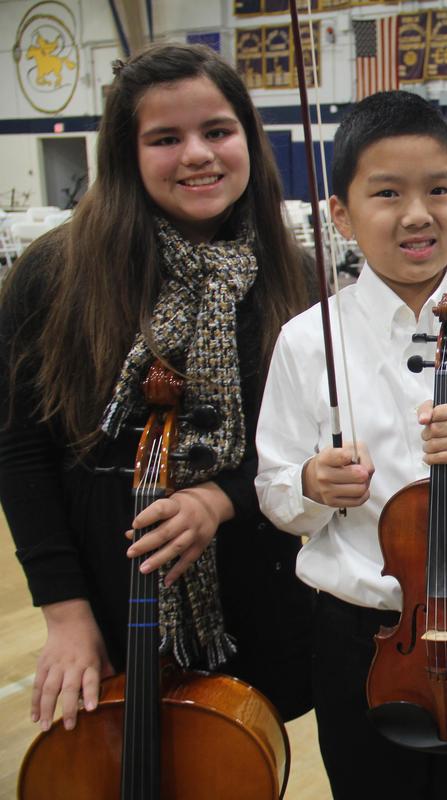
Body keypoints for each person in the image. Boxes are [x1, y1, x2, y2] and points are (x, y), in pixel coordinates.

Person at [254, 89, 447, 800]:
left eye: (439, 190)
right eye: (387, 193)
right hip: (358, 633)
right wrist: (311, 485)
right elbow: (273, 490)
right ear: (341, 214)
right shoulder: (306, 339)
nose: (418, 214)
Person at [0, 43, 315, 733]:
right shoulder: (53, 274)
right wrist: (65, 612)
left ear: (248, 140)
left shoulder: (295, 275)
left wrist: (222, 498)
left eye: (217, 131)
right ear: (126, 153)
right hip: (109, 592)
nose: (197, 154)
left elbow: (314, 444)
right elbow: (21, 452)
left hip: (254, 586)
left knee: (236, 767)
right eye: (165, 138)